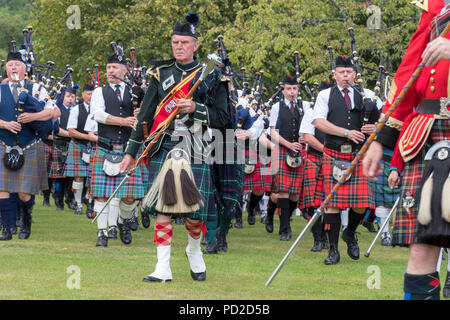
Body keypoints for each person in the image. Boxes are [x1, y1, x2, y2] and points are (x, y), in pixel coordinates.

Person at [120, 12, 230, 282]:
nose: (178, 47)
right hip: (163, 145)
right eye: (175, 42)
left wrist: (196, 108)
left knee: (193, 211)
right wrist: (129, 153)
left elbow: (225, 118)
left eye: (184, 42)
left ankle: (194, 251)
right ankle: (163, 267)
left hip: (196, 145)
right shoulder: (160, 73)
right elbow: (144, 116)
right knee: (162, 207)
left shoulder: (213, 76)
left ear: (195, 45)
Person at [363, 0, 450, 299]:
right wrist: (381, 138)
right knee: (422, 247)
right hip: (429, 135)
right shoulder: (438, 9)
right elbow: (409, 75)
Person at [313, 56, 381, 264]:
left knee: (362, 203)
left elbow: (387, 118)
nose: (345, 76)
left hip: (359, 155)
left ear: (354, 75)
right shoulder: (325, 95)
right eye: (341, 73)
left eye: (348, 73)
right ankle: (333, 250)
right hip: (334, 153)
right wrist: (346, 132)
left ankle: (350, 233)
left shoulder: (367, 95)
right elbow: (319, 122)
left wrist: (376, 128)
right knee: (332, 204)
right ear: (335, 76)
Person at [89, 46, 145, 247]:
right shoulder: (99, 92)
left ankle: (122, 221)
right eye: (108, 68)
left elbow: (146, 117)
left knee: (129, 197)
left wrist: (141, 115)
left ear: (124, 70)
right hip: (106, 147)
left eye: (114, 67)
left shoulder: (135, 91)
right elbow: (98, 114)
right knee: (102, 194)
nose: (110, 71)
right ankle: (102, 233)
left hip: (129, 149)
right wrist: (124, 122)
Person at [0, 49, 53, 240]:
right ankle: (6, 229)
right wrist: (5, 124)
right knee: (2, 188)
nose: (13, 68)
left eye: (17, 65)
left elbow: (52, 112)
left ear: (24, 69)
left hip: (30, 144)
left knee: (24, 192)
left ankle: (26, 220)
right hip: (4, 144)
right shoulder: (0, 89)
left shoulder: (37, 89)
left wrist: (33, 116)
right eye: (10, 65)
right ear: (6, 69)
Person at [269, 75, 309, 241]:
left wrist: (305, 138)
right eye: (288, 89)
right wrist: (288, 144)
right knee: (283, 191)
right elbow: (273, 131)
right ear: (283, 90)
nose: (292, 92)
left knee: (295, 194)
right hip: (284, 150)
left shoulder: (305, 106)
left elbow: (311, 126)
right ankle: (285, 228)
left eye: (294, 89)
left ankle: (285, 219)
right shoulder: (276, 107)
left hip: (300, 152)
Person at [65, 83, 95, 215]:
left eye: (93, 94)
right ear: (83, 95)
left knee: (93, 176)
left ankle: (88, 200)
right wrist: (89, 137)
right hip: (79, 145)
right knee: (79, 177)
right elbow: (71, 131)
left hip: (94, 147)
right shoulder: (76, 109)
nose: (91, 96)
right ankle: (78, 204)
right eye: (88, 93)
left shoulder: (99, 110)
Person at [50, 87, 77, 211]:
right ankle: (58, 201)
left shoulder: (76, 110)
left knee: (71, 176)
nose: (70, 99)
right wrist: (72, 134)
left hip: (73, 146)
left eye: (72, 97)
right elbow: (57, 130)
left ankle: (70, 199)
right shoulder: (58, 110)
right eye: (68, 96)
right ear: (63, 97)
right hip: (60, 144)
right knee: (59, 176)